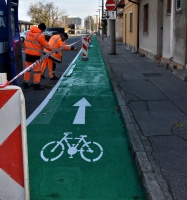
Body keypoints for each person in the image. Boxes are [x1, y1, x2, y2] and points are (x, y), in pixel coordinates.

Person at [23, 23, 53, 90]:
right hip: (35, 55)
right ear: (42, 29)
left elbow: (25, 42)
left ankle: (25, 83)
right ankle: (36, 84)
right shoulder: (40, 35)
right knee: (37, 70)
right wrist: (53, 49)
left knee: (27, 69)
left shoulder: (28, 33)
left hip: (27, 54)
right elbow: (46, 45)